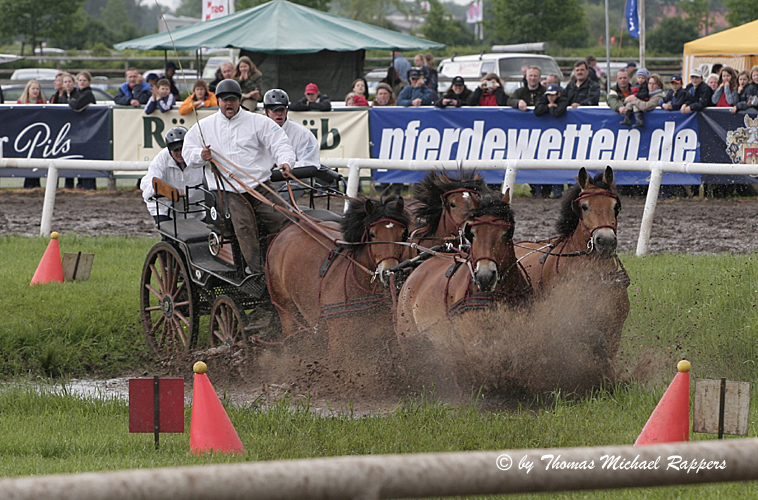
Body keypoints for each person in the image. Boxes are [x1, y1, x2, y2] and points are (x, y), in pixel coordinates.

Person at [183, 79, 296, 274]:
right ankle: (258, 272)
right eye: (225, 100)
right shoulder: (204, 126)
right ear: (217, 101)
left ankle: (289, 265)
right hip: (227, 189)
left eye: (233, 100)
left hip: (260, 185)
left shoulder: (258, 122)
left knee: (285, 218)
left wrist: (285, 162)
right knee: (244, 227)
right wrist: (200, 155)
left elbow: (280, 142)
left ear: (240, 100)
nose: (229, 104)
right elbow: (187, 151)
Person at [140, 126, 205, 224]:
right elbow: (148, 186)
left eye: (182, 149)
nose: (180, 153)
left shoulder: (197, 157)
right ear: (169, 149)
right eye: (176, 150)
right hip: (165, 207)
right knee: (170, 235)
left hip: (195, 208)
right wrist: (171, 191)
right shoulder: (161, 159)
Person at [263, 89, 320, 168]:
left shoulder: (303, 134)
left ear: (286, 111)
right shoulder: (257, 133)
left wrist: (285, 166)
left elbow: (310, 164)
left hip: (294, 179)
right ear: (266, 112)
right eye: (275, 110)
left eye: (282, 110)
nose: (279, 114)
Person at [533, 83, 568, 198]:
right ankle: (541, 191)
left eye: (553, 95)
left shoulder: (563, 99)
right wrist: (549, 106)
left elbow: (556, 113)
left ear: (558, 94)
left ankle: (557, 190)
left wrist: (551, 107)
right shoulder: (545, 99)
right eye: (548, 95)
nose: (550, 98)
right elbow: (537, 111)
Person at [68, 71, 98, 190]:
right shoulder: (79, 93)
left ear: (89, 82)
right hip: (81, 131)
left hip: (89, 131)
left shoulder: (88, 94)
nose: (82, 82)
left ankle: (89, 186)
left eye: (84, 80)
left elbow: (76, 106)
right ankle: (81, 184)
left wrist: (69, 101)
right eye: (80, 80)